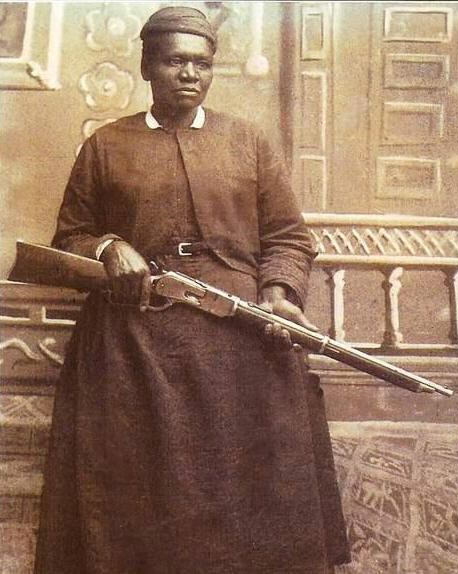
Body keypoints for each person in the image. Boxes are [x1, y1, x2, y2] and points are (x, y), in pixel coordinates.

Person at [34, 6, 350, 574]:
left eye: (201, 64)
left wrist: (280, 294)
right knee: (140, 484)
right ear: (147, 66)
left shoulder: (248, 142)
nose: (189, 74)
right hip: (136, 338)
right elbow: (71, 236)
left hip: (239, 334)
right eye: (175, 60)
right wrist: (108, 246)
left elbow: (288, 237)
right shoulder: (106, 145)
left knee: (249, 477)